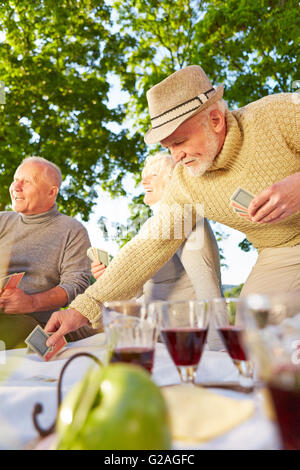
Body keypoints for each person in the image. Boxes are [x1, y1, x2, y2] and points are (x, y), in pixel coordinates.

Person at [45, 64, 300, 346]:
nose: (176, 157)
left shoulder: (278, 114)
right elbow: (148, 246)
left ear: (215, 119)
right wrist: (84, 307)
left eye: (180, 142)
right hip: (284, 251)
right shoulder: (186, 184)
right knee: (251, 337)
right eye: (168, 148)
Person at [91, 152, 223, 349]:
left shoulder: (188, 220)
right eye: (144, 174)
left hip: (180, 341)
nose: (144, 180)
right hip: (150, 335)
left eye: (153, 175)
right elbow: (138, 292)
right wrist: (111, 277)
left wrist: (217, 351)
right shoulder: (152, 225)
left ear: (173, 181)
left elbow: (208, 287)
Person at [0, 156, 93, 348]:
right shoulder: (2, 221)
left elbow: (76, 285)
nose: (15, 187)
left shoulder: (72, 230)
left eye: (26, 182)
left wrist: (31, 302)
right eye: (15, 180)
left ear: (51, 192)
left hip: (34, 326)